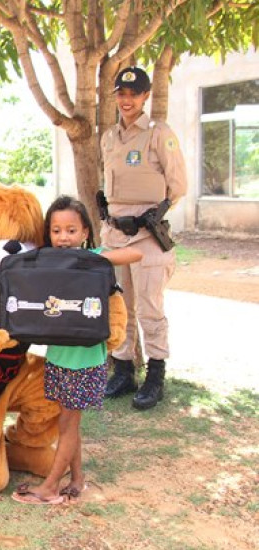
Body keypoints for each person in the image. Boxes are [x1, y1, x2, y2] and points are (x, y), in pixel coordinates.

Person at [13, 196, 142, 505]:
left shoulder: (92, 257)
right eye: (56, 231)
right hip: (58, 357)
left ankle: (51, 487)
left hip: (85, 360)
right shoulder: (48, 260)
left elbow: (135, 253)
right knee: (67, 423)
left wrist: (97, 258)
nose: (63, 238)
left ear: (85, 232)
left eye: (71, 230)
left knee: (69, 423)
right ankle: (78, 479)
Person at [100, 67, 187, 410]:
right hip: (115, 234)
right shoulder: (109, 137)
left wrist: (157, 213)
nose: (126, 100)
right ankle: (123, 370)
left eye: (133, 94)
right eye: (121, 93)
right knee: (121, 304)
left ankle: (155, 375)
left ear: (145, 96)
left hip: (147, 236)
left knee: (150, 307)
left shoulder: (158, 133)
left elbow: (178, 186)